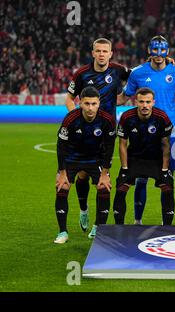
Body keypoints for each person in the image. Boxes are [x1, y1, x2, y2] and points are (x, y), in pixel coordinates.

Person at [118, 35, 175, 225]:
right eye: (154, 50)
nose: (158, 54)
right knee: (140, 179)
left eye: (162, 50)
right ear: (149, 50)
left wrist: (172, 109)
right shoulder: (138, 73)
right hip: (145, 136)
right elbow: (124, 97)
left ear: (168, 51)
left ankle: (167, 226)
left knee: (168, 181)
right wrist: (102, 103)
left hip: (170, 135)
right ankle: (137, 222)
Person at [65, 38, 129, 232]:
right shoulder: (81, 73)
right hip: (84, 132)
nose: (101, 54)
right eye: (98, 51)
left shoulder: (119, 70)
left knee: (103, 177)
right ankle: (84, 209)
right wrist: (74, 117)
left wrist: (166, 61)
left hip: (106, 132)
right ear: (93, 53)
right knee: (83, 175)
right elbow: (69, 98)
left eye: (105, 51)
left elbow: (140, 76)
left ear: (111, 54)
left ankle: (97, 225)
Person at [54, 87, 116, 243]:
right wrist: (62, 173)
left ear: (98, 103)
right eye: (86, 103)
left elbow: (109, 148)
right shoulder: (70, 119)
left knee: (104, 187)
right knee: (62, 187)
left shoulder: (107, 120)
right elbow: (61, 146)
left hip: (95, 159)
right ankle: (63, 232)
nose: (90, 108)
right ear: (80, 103)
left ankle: (97, 227)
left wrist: (105, 173)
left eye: (94, 104)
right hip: (72, 158)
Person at [112, 88, 174, 225]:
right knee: (121, 188)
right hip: (134, 159)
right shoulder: (127, 117)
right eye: (141, 102)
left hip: (156, 159)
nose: (145, 105)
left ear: (153, 102)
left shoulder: (162, 117)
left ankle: (167, 227)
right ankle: (119, 228)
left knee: (168, 187)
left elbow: (166, 145)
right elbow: (122, 144)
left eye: (148, 102)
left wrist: (164, 170)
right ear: (136, 102)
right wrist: (124, 168)